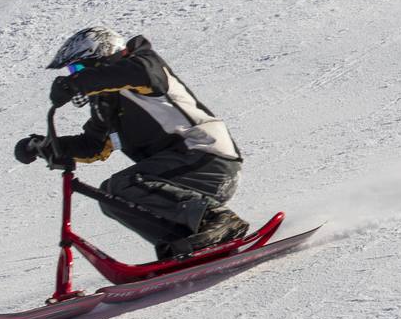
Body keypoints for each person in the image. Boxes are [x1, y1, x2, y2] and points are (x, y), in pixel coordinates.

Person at [14, 26, 249, 260]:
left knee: (121, 185)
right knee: (110, 198)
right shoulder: (108, 103)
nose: (74, 74)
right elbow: (94, 146)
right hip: (177, 178)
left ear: (100, 58)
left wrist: (75, 83)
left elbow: (138, 74)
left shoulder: (143, 65)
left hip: (206, 159)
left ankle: (219, 220)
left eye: (76, 68)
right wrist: (43, 147)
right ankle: (185, 242)